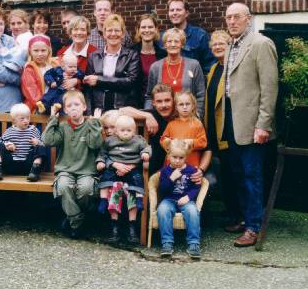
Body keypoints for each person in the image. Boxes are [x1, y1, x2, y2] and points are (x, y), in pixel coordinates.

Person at [222, 2, 278, 247]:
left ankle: (254, 227)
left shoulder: (260, 44)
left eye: (237, 17)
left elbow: (269, 87)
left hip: (253, 124)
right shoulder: (231, 46)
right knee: (238, 173)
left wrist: (263, 124)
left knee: (252, 174)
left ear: (249, 19)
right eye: (228, 18)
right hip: (233, 121)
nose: (232, 21)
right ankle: (246, 219)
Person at [42, 91, 103, 238]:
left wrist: (96, 123)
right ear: (65, 110)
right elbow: (48, 141)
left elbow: (94, 145)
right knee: (63, 187)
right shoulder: (63, 126)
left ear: (84, 107)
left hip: (87, 170)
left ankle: (70, 218)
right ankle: (77, 223)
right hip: (65, 170)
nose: (73, 108)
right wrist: (52, 119)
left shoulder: (90, 124)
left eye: (77, 104)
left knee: (86, 189)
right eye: (69, 105)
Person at [203, 30, 241, 231]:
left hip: (229, 131)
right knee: (225, 173)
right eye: (214, 44)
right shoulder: (213, 69)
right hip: (215, 131)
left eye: (222, 44)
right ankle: (232, 212)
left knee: (234, 173)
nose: (217, 47)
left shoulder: (232, 69)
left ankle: (239, 217)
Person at [96, 115, 151, 244]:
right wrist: (102, 162)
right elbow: (103, 154)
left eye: (129, 130)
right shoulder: (110, 141)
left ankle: (132, 228)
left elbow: (147, 148)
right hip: (115, 171)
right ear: (116, 130)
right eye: (122, 130)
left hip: (132, 171)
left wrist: (145, 154)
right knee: (113, 186)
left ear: (134, 130)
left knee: (134, 186)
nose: (126, 133)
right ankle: (114, 227)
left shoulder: (138, 140)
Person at [144, 27, 205, 119]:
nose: (173, 44)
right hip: (162, 118)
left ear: (182, 44)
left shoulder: (194, 65)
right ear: (164, 45)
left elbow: (200, 95)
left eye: (176, 41)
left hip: (187, 118)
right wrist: (149, 117)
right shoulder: (155, 67)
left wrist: (197, 116)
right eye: (169, 41)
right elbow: (149, 96)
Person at [84, 14, 140, 111]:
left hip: (122, 110)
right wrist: (89, 112)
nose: (113, 34)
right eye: (109, 30)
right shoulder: (94, 56)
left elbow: (131, 82)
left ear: (122, 33)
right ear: (104, 34)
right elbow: (88, 89)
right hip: (98, 110)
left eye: (117, 30)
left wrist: (99, 80)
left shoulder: (132, 55)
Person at [157, 138, 202, 259]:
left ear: (186, 157)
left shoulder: (191, 170)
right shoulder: (165, 171)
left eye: (181, 158)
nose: (177, 161)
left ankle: (193, 243)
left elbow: (197, 186)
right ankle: (167, 243)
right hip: (169, 199)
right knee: (162, 210)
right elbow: (162, 190)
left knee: (192, 212)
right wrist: (171, 178)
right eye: (174, 157)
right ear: (168, 156)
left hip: (186, 200)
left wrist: (188, 197)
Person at [159, 0, 216, 75]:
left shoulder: (200, 35)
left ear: (186, 13)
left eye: (178, 10)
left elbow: (209, 66)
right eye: (172, 10)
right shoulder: (162, 37)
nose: (174, 13)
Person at [0, 103, 46, 182]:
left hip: (28, 166)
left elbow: (43, 144)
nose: (26, 121)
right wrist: (7, 145)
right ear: (14, 120)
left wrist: (38, 142)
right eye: (22, 119)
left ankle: (35, 170)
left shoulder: (33, 130)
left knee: (41, 147)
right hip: (11, 164)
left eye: (28, 118)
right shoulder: (10, 131)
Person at [160, 91, 207, 168]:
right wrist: (167, 142)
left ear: (193, 106)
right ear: (176, 107)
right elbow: (162, 139)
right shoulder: (171, 124)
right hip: (172, 164)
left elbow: (203, 142)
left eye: (187, 104)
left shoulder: (197, 123)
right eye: (181, 104)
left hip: (191, 164)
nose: (185, 107)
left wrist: (192, 142)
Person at [131, 14, 166, 98]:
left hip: (159, 100)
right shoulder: (130, 53)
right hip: (136, 101)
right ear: (138, 30)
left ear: (156, 29)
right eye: (143, 27)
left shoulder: (164, 54)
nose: (147, 30)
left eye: (150, 27)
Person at [20, 35, 57, 114]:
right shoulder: (29, 69)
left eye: (43, 50)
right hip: (39, 108)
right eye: (36, 50)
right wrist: (45, 105)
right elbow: (33, 93)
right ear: (30, 52)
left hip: (56, 106)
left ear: (49, 51)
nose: (40, 54)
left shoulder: (55, 65)